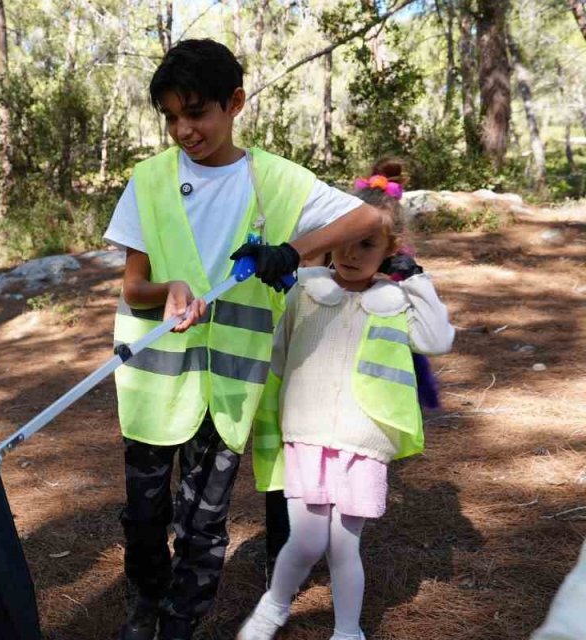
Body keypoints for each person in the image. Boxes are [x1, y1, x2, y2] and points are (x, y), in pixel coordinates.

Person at [106, 38, 385, 640]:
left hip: (229, 391)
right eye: (171, 117)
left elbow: (371, 220)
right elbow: (133, 289)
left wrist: (292, 250)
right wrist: (170, 287)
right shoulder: (148, 182)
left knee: (202, 526)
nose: (183, 130)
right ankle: (142, 614)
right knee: (145, 519)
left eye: (196, 112)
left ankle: (182, 627)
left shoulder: (279, 182)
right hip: (154, 388)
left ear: (234, 103)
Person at [237, 169, 455, 640]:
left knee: (343, 546)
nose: (354, 256)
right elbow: (277, 357)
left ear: (391, 251)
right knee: (307, 538)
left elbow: (438, 340)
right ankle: (274, 606)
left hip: (362, 442)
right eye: (348, 242)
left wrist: (416, 279)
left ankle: (348, 630)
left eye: (369, 246)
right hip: (306, 435)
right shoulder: (306, 293)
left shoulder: (396, 301)